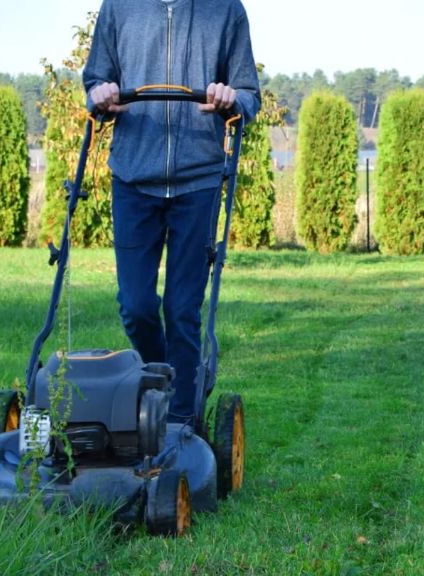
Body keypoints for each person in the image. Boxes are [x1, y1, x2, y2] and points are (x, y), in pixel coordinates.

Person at [83, 0, 261, 425]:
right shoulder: (119, 8)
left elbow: (249, 95)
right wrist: (100, 94)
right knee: (136, 304)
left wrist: (231, 98)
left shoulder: (225, 11)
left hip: (197, 180)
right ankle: (167, 378)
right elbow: (94, 81)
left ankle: (182, 420)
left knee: (183, 310)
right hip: (133, 177)